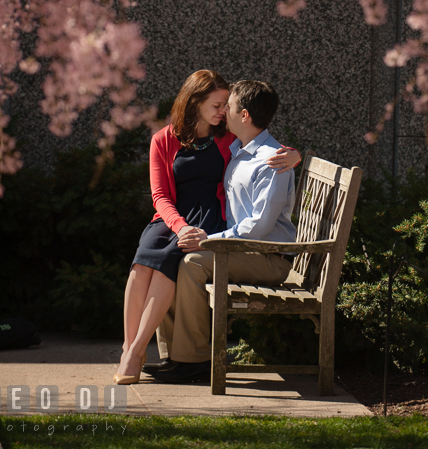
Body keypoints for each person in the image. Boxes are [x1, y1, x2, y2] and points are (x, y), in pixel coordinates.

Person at [113, 70, 299, 385]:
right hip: (172, 218)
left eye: (226, 105)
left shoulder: (228, 139)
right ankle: (133, 349)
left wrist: (295, 155)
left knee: (180, 263)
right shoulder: (165, 139)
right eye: (216, 105)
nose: (222, 111)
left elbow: (265, 145)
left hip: (212, 224)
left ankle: (171, 357)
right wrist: (179, 225)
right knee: (143, 263)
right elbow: (159, 195)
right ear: (195, 101)